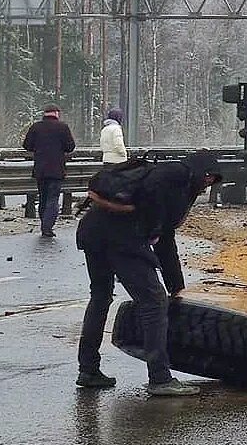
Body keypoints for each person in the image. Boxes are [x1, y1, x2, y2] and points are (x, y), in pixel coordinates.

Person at [76, 151, 222, 396]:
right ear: (201, 170)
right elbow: (160, 224)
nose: (208, 184)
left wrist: (175, 284)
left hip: (94, 232)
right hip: (121, 239)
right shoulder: (178, 175)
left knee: (100, 298)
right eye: (209, 177)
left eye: (213, 181)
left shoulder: (173, 180)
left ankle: (88, 369)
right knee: (154, 302)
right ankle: (160, 378)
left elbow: (165, 238)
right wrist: (149, 219)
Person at [22, 104, 77, 238]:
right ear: (57, 113)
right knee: (53, 198)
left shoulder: (36, 127)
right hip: (57, 169)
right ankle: (47, 226)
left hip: (40, 169)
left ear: (44, 113)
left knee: (43, 197)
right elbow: (70, 147)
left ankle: (44, 224)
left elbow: (26, 145)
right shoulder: (62, 127)